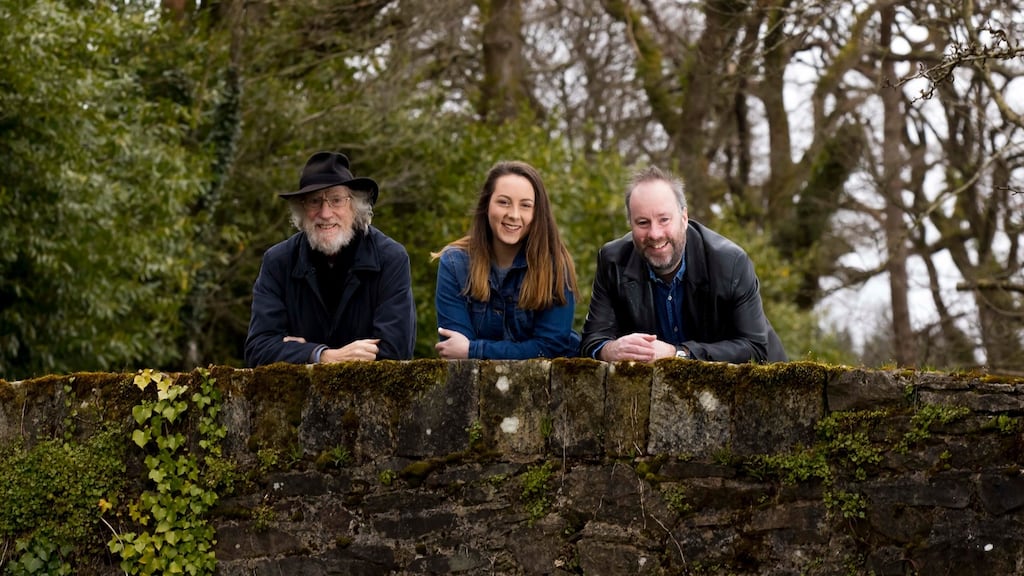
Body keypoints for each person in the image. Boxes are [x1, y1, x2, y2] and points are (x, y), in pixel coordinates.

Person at [580, 165, 787, 363]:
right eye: (643, 223)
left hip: (757, 389)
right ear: (631, 224)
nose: (655, 234)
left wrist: (678, 353)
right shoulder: (613, 261)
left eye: (664, 220)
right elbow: (591, 340)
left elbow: (755, 348)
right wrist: (610, 350)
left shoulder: (731, 263)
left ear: (684, 218)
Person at [244, 151, 415, 367]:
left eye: (336, 200)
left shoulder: (390, 258)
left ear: (355, 206)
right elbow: (258, 350)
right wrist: (321, 355)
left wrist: (293, 352)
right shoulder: (278, 262)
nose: (325, 213)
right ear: (302, 209)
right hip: (297, 399)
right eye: (315, 201)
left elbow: (396, 351)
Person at [433, 161, 580, 359]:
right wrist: (466, 351)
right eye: (503, 202)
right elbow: (455, 350)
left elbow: (550, 347)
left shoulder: (554, 265)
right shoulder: (454, 263)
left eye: (526, 205)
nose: (514, 215)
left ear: (537, 213)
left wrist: (475, 350)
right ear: (486, 205)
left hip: (548, 385)